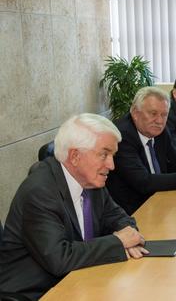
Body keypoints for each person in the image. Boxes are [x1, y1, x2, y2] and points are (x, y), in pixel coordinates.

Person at [0, 114, 146, 299]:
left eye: (113, 155)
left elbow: (118, 217)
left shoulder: (90, 180)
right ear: (75, 156)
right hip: (35, 294)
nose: (112, 165)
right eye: (104, 154)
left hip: (78, 279)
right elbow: (59, 259)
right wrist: (119, 242)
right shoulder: (39, 192)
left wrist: (129, 234)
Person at [107, 87, 176, 215]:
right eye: (153, 113)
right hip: (134, 211)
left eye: (164, 114)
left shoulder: (158, 129)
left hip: (160, 201)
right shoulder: (122, 136)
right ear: (135, 113)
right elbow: (144, 182)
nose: (160, 121)